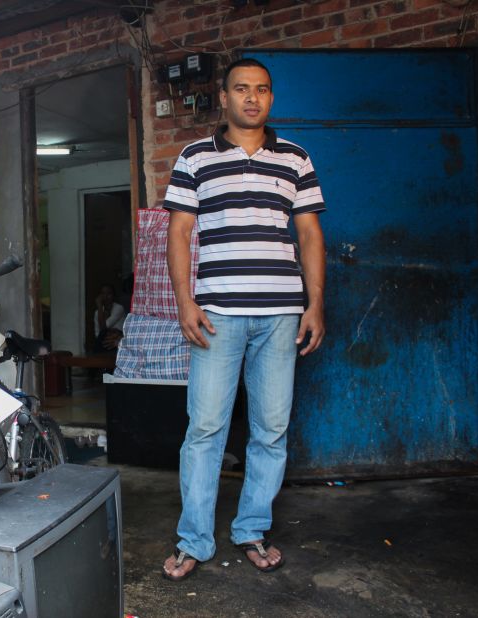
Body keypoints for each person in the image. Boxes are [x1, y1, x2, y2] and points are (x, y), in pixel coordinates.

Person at [161, 58, 326, 580]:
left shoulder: (295, 159)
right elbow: (180, 233)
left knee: (271, 429)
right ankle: (194, 539)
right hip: (216, 317)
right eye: (241, 89)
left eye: (262, 90)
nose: (252, 98)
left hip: (280, 315)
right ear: (224, 97)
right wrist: (186, 302)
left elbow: (310, 237)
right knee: (206, 428)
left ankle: (251, 529)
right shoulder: (194, 158)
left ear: (271, 99)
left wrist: (314, 303)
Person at [93, 284, 126, 353]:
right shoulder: (97, 312)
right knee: (103, 336)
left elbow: (103, 327)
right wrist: (100, 308)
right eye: (103, 294)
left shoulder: (119, 308)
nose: (106, 297)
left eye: (109, 294)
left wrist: (99, 305)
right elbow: (98, 333)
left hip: (117, 341)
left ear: (113, 296)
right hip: (103, 341)